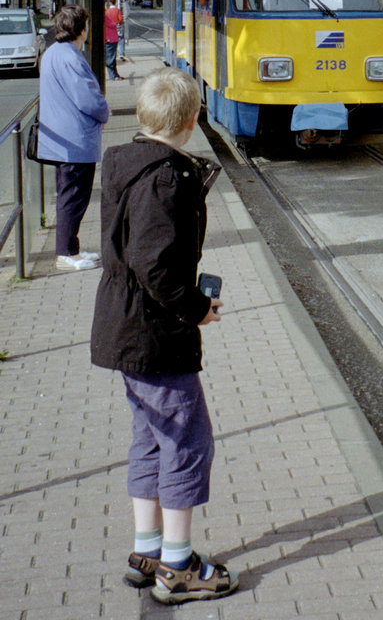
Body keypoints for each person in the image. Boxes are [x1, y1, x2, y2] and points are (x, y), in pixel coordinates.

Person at [90, 68, 238, 605]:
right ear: (192, 120)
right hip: (153, 335)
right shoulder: (163, 179)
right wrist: (196, 308)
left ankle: (146, 551)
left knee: (151, 438)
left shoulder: (125, 162)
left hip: (125, 329)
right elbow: (154, 264)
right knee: (186, 441)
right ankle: (177, 568)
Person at [38, 4, 110, 271]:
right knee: (74, 197)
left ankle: (71, 248)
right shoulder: (71, 57)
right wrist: (105, 112)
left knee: (68, 195)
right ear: (80, 28)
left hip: (59, 138)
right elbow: (88, 99)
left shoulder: (52, 54)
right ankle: (66, 254)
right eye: (87, 25)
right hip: (75, 141)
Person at [104, 0, 124, 80]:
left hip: (110, 38)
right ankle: (113, 76)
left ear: (109, 3)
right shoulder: (117, 10)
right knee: (111, 58)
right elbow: (120, 19)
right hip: (111, 38)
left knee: (111, 57)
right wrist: (117, 23)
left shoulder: (107, 12)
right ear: (115, 2)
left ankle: (115, 75)